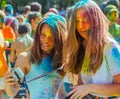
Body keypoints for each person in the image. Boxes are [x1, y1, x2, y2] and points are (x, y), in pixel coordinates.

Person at [58, 0, 120, 98]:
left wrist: (89, 88)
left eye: (85, 20)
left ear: (96, 20)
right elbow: (81, 86)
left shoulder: (110, 47)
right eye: (77, 21)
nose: (81, 26)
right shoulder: (81, 46)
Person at [5, 14, 67, 99]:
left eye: (51, 37)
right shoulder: (25, 58)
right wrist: (10, 85)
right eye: (43, 34)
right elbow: (11, 92)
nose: (46, 40)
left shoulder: (66, 58)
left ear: (60, 39)